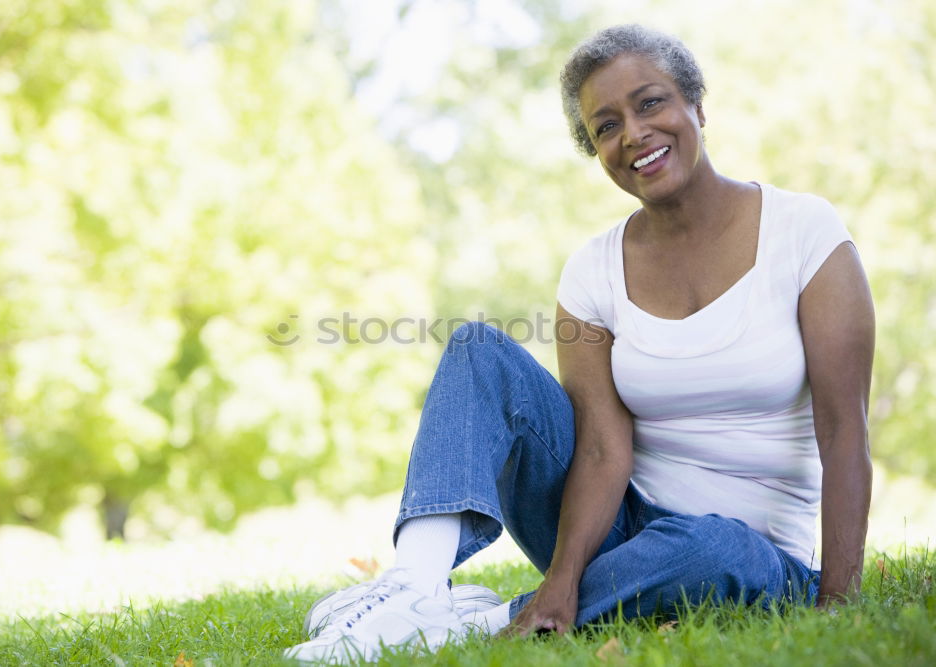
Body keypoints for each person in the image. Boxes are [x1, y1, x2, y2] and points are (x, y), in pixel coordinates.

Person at [284, 23, 874, 664]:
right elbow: (599, 446)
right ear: (595, 150)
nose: (634, 135)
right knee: (479, 348)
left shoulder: (805, 233)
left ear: (697, 104)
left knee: (713, 549)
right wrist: (564, 575)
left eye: (650, 103)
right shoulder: (594, 270)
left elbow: (844, 432)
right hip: (614, 527)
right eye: (606, 127)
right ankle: (414, 590)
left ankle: (464, 626)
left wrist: (837, 604)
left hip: (748, 555)